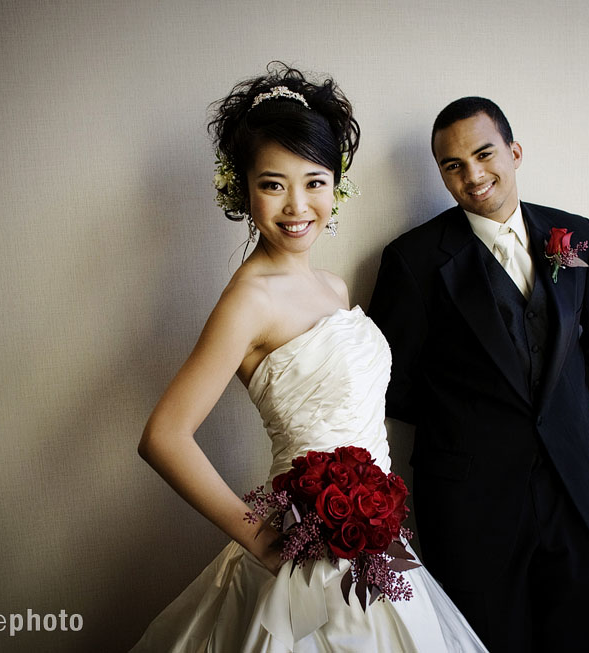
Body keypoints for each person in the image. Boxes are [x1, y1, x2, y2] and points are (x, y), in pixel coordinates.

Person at [131, 64, 487, 652]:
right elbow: (164, 435)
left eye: (314, 182)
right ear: (242, 188)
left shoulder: (333, 287)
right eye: (273, 184)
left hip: (382, 550)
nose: (297, 205)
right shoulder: (248, 300)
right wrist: (262, 540)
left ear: (335, 186)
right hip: (309, 553)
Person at [368, 97, 589, 651]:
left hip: (572, 491)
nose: (473, 175)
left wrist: (557, 411)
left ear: (513, 152)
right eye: (452, 165)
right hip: (471, 503)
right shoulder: (412, 260)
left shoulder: (574, 234)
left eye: (484, 154)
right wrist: (474, 426)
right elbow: (391, 382)